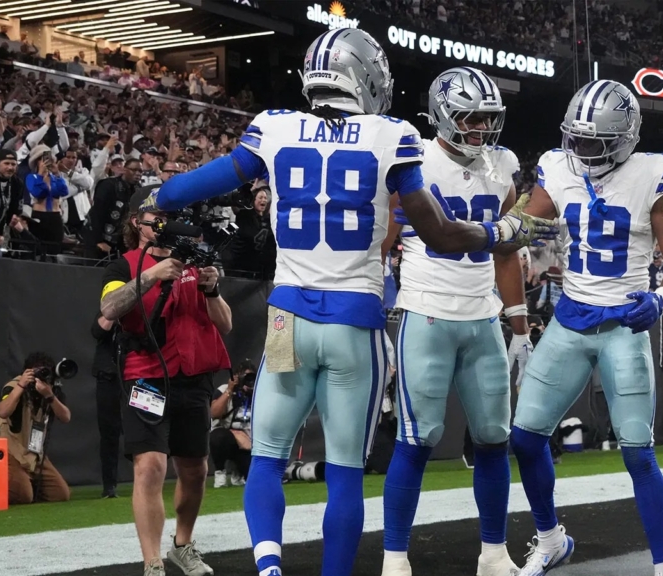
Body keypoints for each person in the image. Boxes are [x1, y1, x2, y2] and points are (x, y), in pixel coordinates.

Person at [153, 27, 556, 576]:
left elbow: (189, 188)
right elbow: (437, 234)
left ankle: (269, 567)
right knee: (343, 469)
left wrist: (160, 197)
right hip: (354, 323)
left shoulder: (272, 126)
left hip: (287, 315)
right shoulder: (390, 134)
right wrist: (498, 232)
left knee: (268, 457)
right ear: (365, 78)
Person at [507, 79, 663, 576]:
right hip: (569, 320)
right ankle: (550, 539)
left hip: (623, 327)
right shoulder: (557, 166)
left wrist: (662, 296)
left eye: (595, 142)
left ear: (625, 138)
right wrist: (495, 227)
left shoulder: (654, 174)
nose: (582, 150)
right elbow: (522, 224)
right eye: (577, 138)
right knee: (524, 439)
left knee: (638, 455)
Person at [381, 66, 529, 576]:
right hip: (426, 311)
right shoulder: (413, 157)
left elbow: (508, 249)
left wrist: (520, 323)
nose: (480, 128)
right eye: (469, 116)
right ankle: (395, 558)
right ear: (443, 113)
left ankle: (493, 553)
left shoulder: (503, 163)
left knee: (493, 436)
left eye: (488, 118)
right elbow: (384, 239)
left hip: (482, 316)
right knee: (417, 438)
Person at [99, 190, 233, 576]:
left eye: (167, 216)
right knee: (150, 466)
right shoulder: (122, 266)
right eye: (154, 216)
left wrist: (213, 289)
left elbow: (224, 323)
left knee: (195, 469)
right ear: (135, 224)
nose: (162, 223)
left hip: (192, 379)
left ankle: (182, 544)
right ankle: (152, 562)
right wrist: (152, 274)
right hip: (145, 375)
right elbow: (109, 309)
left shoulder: (196, 264)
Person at [0, 352, 72, 505]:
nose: (41, 377)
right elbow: (3, 411)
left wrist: (49, 396)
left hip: (33, 453)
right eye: (37, 372)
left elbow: (66, 417)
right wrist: (21, 385)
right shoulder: (14, 386)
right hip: (9, 451)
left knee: (60, 493)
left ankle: (25, 482)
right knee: (24, 496)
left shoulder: (49, 389)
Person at [210, 360, 255, 488]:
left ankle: (239, 471)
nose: (248, 381)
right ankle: (220, 472)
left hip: (250, 442)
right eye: (245, 377)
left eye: (251, 377)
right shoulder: (224, 389)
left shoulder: (259, 392)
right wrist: (230, 390)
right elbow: (214, 413)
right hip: (228, 437)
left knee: (254, 476)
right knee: (218, 437)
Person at [84, 156, 141, 259]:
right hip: (99, 238)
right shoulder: (108, 185)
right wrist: (99, 240)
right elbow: (97, 214)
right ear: (124, 169)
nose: (138, 174)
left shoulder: (138, 191)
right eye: (134, 170)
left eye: (140, 171)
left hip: (121, 242)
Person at [91, 311, 122, 498]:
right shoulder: (107, 309)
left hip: (136, 374)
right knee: (109, 433)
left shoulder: (141, 309)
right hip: (108, 376)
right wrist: (116, 308)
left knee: (146, 429)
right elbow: (97, 331)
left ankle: (148, 477)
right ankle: (109, 485)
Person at [25, 144, 68, 255]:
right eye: (41, 160)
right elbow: (39, 192)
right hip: (39, 217)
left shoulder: (55, 178)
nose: (45, 162)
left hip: (55, 218)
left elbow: (64, 191)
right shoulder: (31, 177)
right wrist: (40, 175)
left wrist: (57, 173)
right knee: (38, 250)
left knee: (55, 251)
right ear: (36, 162)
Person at [0, 149, 26, 256]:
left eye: (13, 164)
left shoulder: (17, 184)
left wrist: (1, 234)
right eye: (6, 163)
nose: (10, 167)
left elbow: (13, 212)